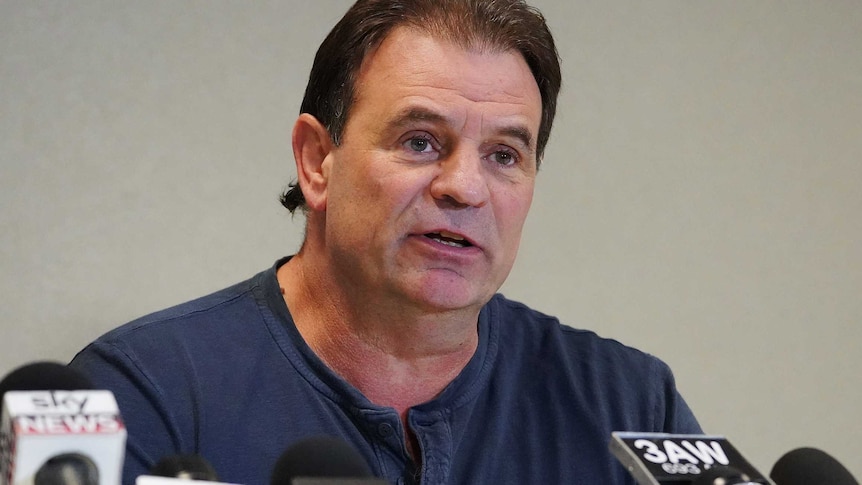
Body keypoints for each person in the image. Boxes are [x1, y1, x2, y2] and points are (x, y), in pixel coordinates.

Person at [70, 0, 702, 484]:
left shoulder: (631, 405)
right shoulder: (143, 394)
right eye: (420, 141)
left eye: (504, 155)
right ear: (318, 161)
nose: (464, 188)